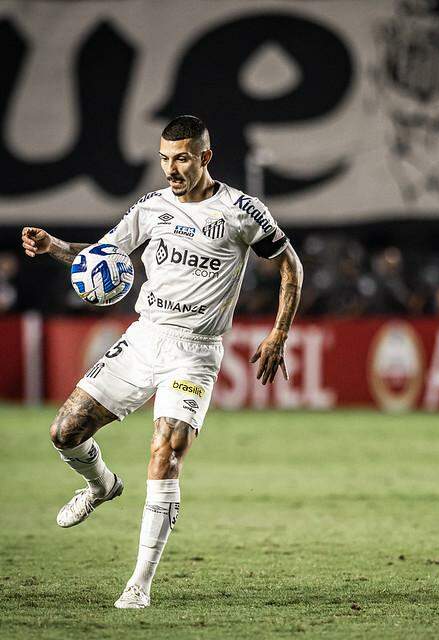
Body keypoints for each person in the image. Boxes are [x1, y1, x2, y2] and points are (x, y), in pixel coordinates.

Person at [20, 115, 303, 609]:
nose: (172, 169)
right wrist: (56, 248)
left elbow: (289, 265)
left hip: (194, 354)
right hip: (145, 338)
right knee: (64, 431)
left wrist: (279, 333)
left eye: (183, 159)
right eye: (165, 159)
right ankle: (102, 485)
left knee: (165, 451)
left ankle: (139, 585)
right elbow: (104, 255)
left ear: (205, 158)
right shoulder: (151, 208)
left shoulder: (240, 211)